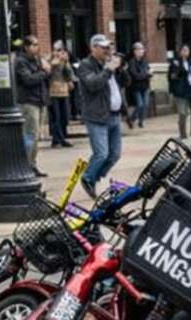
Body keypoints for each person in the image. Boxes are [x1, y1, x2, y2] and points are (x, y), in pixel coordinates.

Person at [76, 34, 125, 199]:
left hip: (114, 115)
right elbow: (93, 85)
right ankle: (88, 177)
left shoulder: (108, 64)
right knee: (101, 154)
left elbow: (126, 82)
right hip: (97, 116)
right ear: (93, 48)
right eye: (104, 47)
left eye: (109, 47)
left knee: (115, 154)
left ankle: (94, 177)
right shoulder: (85, 65)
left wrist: (120, 69)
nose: (107, 50)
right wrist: (109, 69)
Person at [14, 35, 50, 178]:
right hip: (28, 102)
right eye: (34, 45)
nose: (37, 47)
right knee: (30, 135)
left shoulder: (37, 60)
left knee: (35, 136)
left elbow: (43, 78)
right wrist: (44, 72)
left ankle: (32, 164)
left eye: (37, 44)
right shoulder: (21, 61)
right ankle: (26, 165)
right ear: (26, 47)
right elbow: (28, 80)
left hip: (39, 100)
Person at [168, 44, 191, 141]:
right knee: (182, 113)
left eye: (187, 50)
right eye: (184, 50)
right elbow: (172, 76)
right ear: (180, 52)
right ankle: (183, 133)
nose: (186, 52)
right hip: (181, 92)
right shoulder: (175, 62)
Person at [47, 41, 74, 147]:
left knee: (64, 116)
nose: (59, 53)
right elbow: (47, 74)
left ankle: (59, 138)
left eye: (61, 50)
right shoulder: (49, 61)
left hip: (64, 91)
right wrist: (53, 63)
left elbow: (68, 75)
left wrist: (66, 63)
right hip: (53, 92)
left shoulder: (64, 61)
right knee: (55, 116)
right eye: (56, 50)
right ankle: (59, 138)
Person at [125, 41, 151, 129]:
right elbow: (135, 75)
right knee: (140, 104)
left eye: (142, 49)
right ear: (134, 51)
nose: (141, 51)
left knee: (146, 104)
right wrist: (146, 74)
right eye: (139, 49)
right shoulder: (131, 62)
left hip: (145, 86)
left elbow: (147, 72)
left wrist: (145, 74)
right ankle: (132, 119)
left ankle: (141, 121)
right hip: (136, 87)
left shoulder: (145, 61)